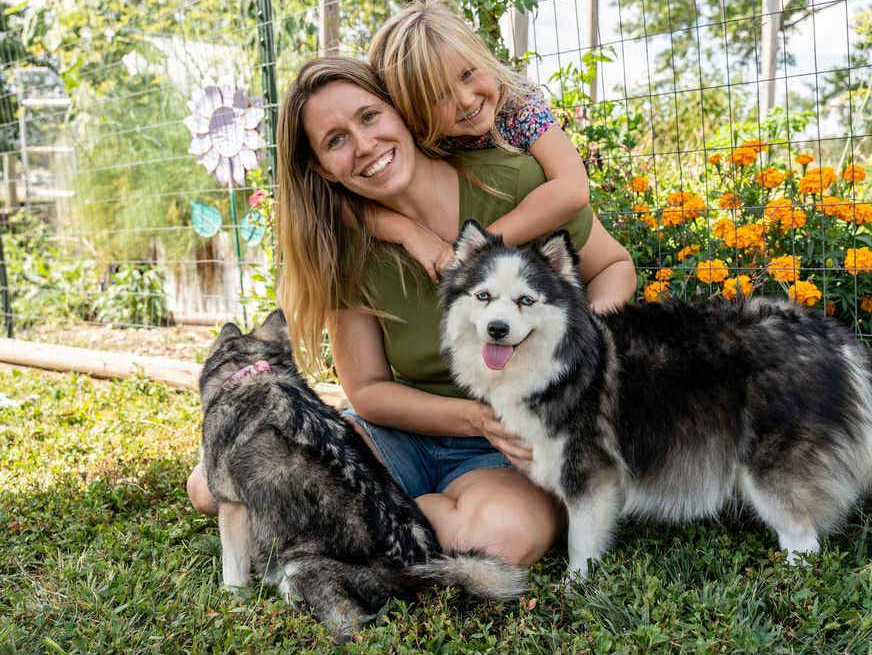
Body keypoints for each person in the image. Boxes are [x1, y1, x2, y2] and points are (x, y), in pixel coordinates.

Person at [188, 57, 636, 567]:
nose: (364, 145)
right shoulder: (346, 246)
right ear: (322, 168)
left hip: (509, 444)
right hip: (402, 434)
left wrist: (575, 359)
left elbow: (613, 267)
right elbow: (368, 390)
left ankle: (355, 522)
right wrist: (476, 418)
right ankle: (372, 519)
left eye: (369, 117)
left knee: (502, 540)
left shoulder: (511, 182)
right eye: (336, 140)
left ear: (401, 111)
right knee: (212, 486)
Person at [361, 0, 591, 283]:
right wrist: (408, 232)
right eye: (439, 96)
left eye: (468, 74)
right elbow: (344, 207)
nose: (466, 100)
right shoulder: (417, 138)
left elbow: (573, 188)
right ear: (413, 113)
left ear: (483, 54)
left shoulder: (519, 105)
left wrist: (477, 247)